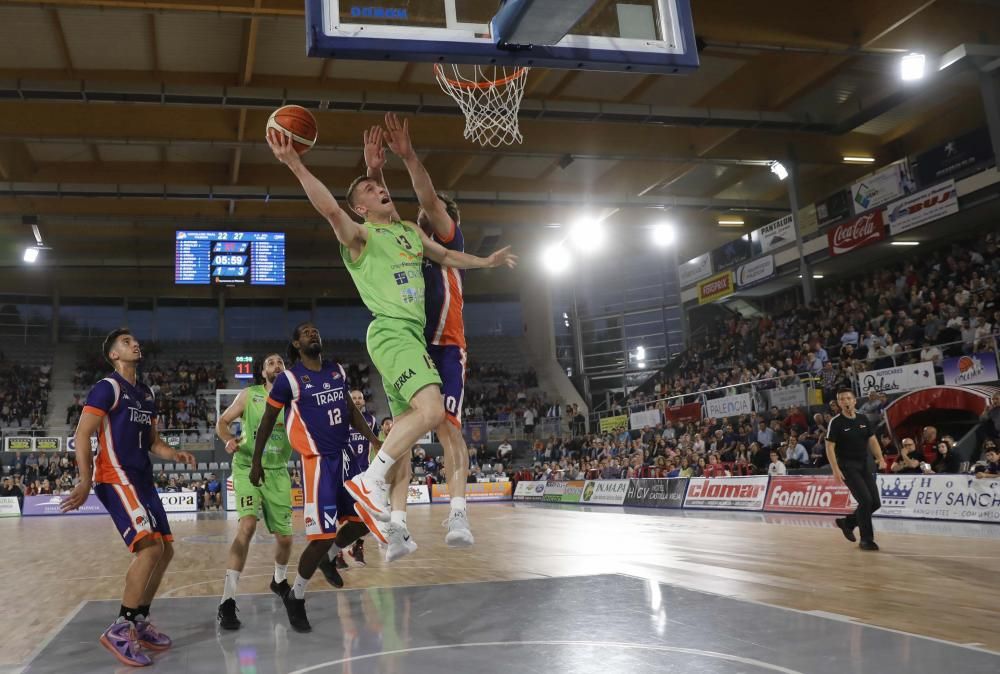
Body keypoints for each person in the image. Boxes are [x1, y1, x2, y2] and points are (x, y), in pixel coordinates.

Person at [267, 123, 514, 539]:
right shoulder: (360, 235)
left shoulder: (408, 232)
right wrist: (295, 163)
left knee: (415, 420)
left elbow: (448, 254)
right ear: (359, 208)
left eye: (377, 186)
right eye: (367, 190)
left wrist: (487, 263)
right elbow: (330, 209)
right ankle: (370, 480)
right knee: (435, 413)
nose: (378, 190)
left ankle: (388, 512)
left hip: (411, 339)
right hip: (391, 333)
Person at [364, 116, 475, 547]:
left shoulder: (449, 238)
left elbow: (426, 197)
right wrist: (373, 171)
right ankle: (396, 524)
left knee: (448, 427)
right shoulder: (404, 241)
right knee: (403, 430)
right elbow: (376, 213)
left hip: (445, 345)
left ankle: (459, 516)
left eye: (431, 211)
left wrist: (408, 156)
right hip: (410, 344)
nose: (422, 213)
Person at [61, 328, 196, 667]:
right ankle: (120, 628)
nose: (135, 344)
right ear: (113, 355)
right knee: (149, 548)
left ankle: (138, 620)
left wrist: (174, 454)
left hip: (142, 479)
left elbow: (153, 442)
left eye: (135, 340)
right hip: (114, 475)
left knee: (166, 550)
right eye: (125, 342)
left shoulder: (146, 393)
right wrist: (84, 480)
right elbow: (82, 434)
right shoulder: (108, 387)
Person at [249, 322, 382, 633]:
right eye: (305, 331)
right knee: (319, 537)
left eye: (315, 330)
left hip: (345, 459)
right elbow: (268, 420)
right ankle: (296, 596)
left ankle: (331, 556)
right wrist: (256, 461)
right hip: (317, 463)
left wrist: (374, 440)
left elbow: (350, 411)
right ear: (296, 344)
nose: (313, 333)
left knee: (366, 519)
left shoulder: (336, 370)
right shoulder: (289, 379)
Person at [215, 353, 295, 630]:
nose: (277, 366)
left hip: (278, 470)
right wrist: (227, 440)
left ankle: (279, 580)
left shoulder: (295, 401)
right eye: (271, 363)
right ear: (263, 373)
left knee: (285, 540)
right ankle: (227, 600)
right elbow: (221, 423)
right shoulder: (250, 395)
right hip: (248, 465)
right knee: (247, 526)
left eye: (281, 363)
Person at [826, 389, 887, 551]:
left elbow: (872, 440)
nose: (846, 401)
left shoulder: (863, 418)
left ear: (854, 401)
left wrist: (880, 458)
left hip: (864, 464)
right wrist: (835, 469)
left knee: (875, 502)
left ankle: (848, 522)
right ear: (839, 403)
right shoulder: (836, 422)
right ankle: (866, 540)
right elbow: (830, 447)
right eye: (842, 399)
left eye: (848, 398)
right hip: (847, 466)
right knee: (865, 501)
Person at [330, 389, 380, 571]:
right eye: (354, 398)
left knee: (366, 515)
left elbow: (375, 445)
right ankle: (337, 553)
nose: (358, 400)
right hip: (344, 472)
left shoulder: (372, 421)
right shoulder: (341, 418)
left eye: (360, 398)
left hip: (365, 473)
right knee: (341, 516)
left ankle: (357, 547)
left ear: (364, 401)